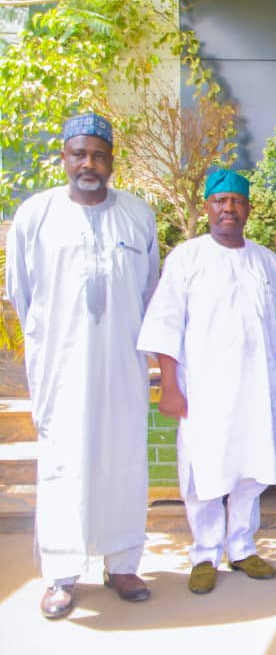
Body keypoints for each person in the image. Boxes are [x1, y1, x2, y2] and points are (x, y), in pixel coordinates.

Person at [5, 113, 157, 619]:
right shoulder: (36, 215)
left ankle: (123, 563)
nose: (88, 164)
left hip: (121, 362)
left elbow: (148, 291)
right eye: (79, 154)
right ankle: (61, 574)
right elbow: (22, 295)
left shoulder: (138, 215)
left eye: (98, 154)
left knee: (123, 457)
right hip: (62, 364)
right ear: (64, 157)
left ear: (112, 160)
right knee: (64, 461)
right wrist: (53, 342)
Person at [138, 169, 276, 595]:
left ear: (249, 209)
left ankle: (241, 547)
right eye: (220, 201)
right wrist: (169, 383)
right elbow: (165, 322)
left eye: (237, 201)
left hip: (256, 386)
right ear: (207, 207)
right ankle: (204, 552)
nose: (229, 209)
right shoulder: (186, 257)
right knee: (202, 470)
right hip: (204, 387)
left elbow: (275, 324)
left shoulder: (265, 260)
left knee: (251, 466)